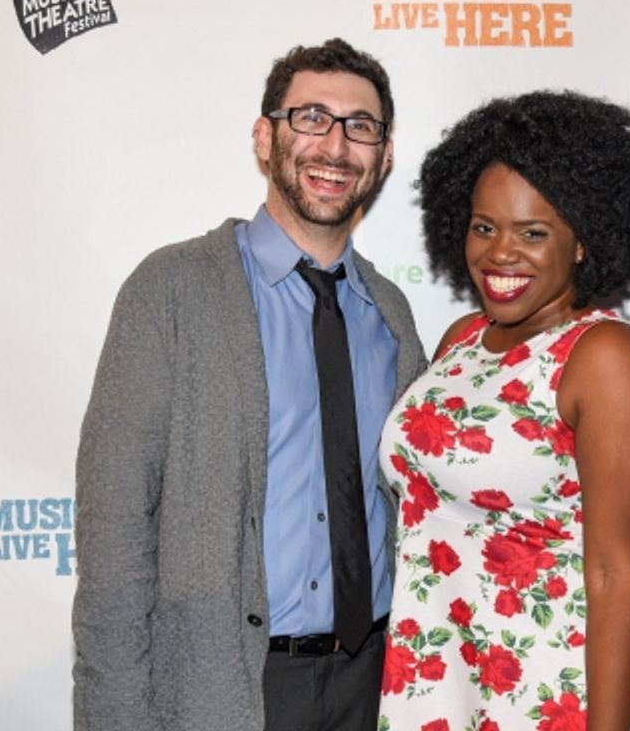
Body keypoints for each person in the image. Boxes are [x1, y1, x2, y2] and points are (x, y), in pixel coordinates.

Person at [72, 38, 427, 731]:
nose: (335, 145)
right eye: (311, 118)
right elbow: (114, 528)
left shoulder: (389, 313)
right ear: (266, 138)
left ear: (383, 156)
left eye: (361, 126)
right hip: (232, 688)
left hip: (377, 685)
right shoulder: (172, 290)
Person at [377, 91, 630, 730]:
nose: (500, 253)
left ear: (583, 241)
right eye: (484, 226)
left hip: (556, 690)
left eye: (533, 232)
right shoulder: (463, 339)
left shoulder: (606, 357)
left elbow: (615, 575)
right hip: (446, 673)